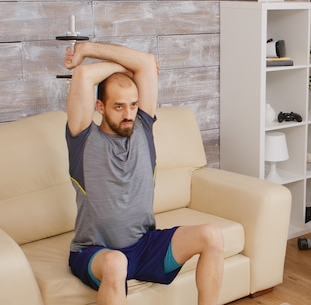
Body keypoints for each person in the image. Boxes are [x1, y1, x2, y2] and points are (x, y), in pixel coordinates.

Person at [63, 41, 224, 305]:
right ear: (100, 106)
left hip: (144, 245)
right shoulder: (83, 139)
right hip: (96, 253)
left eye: (133, 105)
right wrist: (121, 65)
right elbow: (83, 75)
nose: (128, 114)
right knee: (116, 263)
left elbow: (147, 64)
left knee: (212, 235)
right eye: (118, 107)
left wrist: (122, 63)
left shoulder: (142, 127)